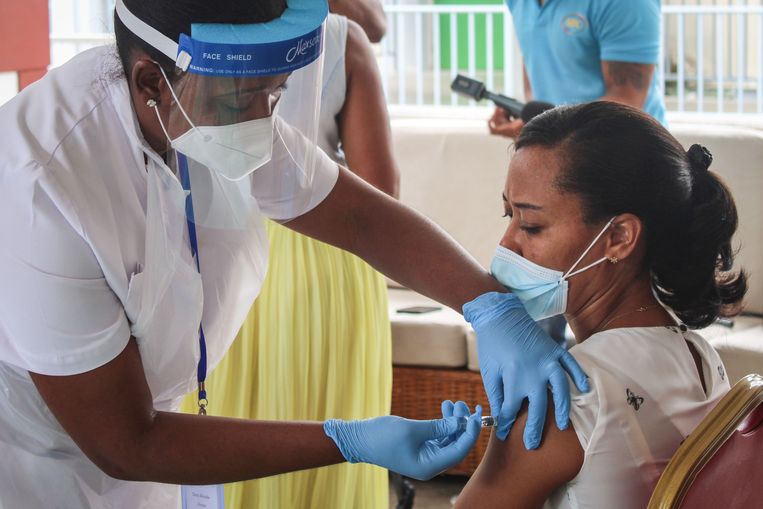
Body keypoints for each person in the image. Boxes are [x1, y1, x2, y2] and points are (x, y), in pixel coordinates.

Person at [0, 1, 589, 507]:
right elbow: (128, 444)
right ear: (150, 81)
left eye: (276, 95)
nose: (262, 121)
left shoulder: (211, 104)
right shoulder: (41, 187)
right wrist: (348, 440)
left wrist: (489, 306)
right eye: (243, 102)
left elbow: (360, 215)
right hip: (39, 463)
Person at [456, 101, 747, 509]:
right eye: (508, 214)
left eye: (532, 225)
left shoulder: (562, 395)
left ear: (619, 238)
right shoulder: (699, 355)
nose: (507, 243)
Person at [179, 12, 399, 509]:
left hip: (221, 248)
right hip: (328, 261)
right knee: (331, 429)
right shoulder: (343, 39)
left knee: (224, 432)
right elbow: (381, 191)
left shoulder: (187, 26)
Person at [489, 0, 666, 139]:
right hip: (558, 150)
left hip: (629, 152)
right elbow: (534, 57)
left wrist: (545, 131)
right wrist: (531, 122)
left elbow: (627, 101)